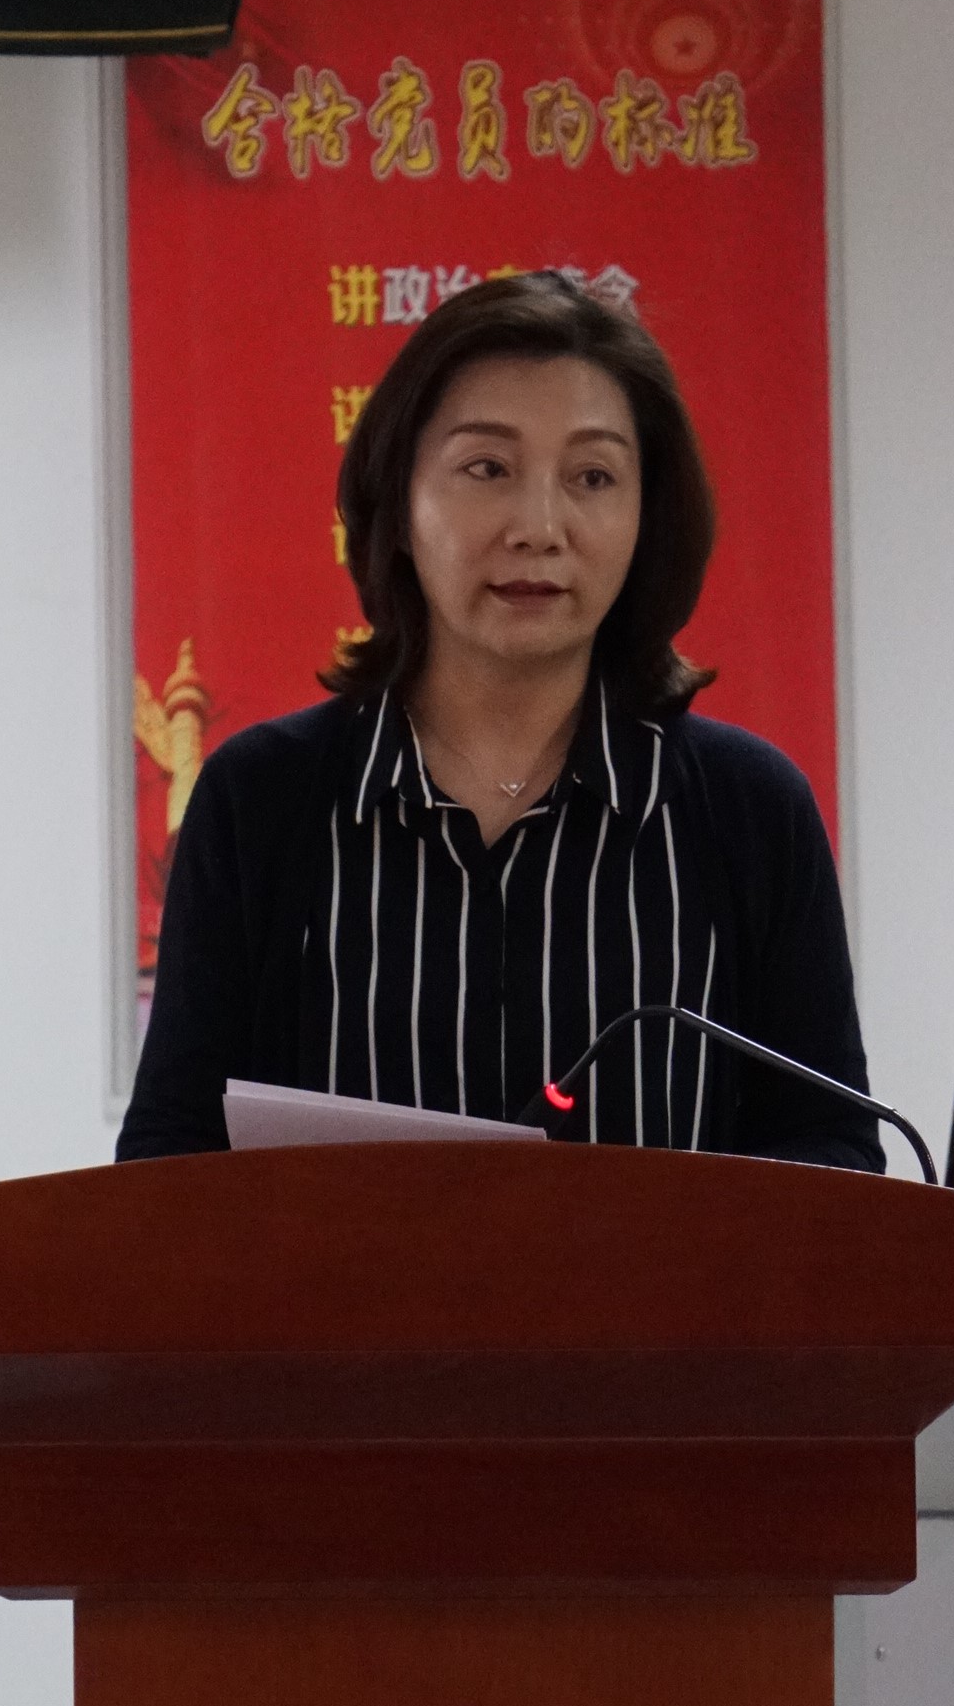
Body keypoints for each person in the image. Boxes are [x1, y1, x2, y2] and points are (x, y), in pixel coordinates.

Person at [117, 269, 879, 1168]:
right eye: (488, 469)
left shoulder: (748, 811)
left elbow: (833, 1160)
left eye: (593, 476)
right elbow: (169, 1159)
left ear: (647, 516)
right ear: (400, 503)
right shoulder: (261, 802)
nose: (540, 527)